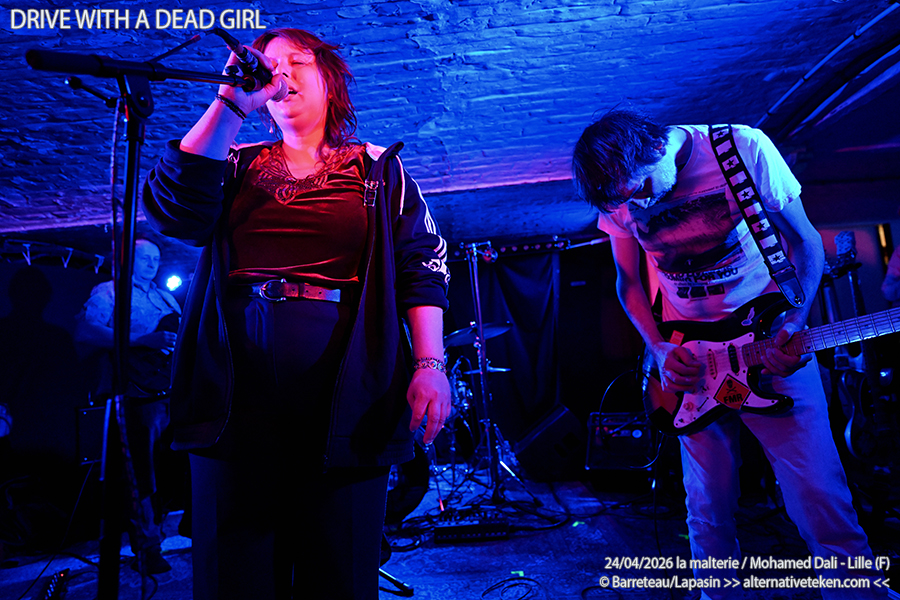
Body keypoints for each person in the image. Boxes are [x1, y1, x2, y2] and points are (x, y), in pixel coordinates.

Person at [142, 27, 451, 600]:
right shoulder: (233, 163)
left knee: (338, 575)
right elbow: (174, 210)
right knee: (232, 579)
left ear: (330, 80)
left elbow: (422, 266)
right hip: (232, 401)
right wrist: (230, 102)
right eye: (268, 65)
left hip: (346, 398)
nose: (280, 73)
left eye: (297, 61)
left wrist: (429, 365)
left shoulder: (377, 169)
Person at [572, 110, 887, 599]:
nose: (641, 204)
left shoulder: (741, 148)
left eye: (643, 187)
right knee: (706, 507)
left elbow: (805, 241)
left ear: (655, 148)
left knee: (819, 496)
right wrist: (658, 347)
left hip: (769, 347)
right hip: (694, 366)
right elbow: (628, 282)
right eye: (628, 200)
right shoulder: (621, 198)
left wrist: (795, 320)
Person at [76, 238, 181, 575]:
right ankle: (147, 546)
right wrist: (140, 340)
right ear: (127, 258)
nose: (152, 263)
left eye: (157, 258)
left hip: (170, 391)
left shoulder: (165, 296)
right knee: (141, 473)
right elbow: (85, 331)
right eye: (145, 257)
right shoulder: (109, 292)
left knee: (170, 469)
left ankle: (168, 529)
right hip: (136, 393)